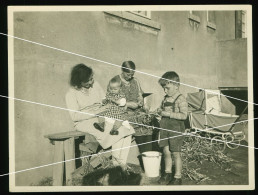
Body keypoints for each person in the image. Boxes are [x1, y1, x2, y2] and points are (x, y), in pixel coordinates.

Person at [65, 63, 135, 169]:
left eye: (92, 78)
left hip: (102, 113)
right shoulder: (71, 94)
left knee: (127, 129)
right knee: (116, 133)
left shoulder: (95, 85)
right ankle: (117, 166)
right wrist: (95, 113)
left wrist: (109, 106)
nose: (91, 81)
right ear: (79, 82)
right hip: (85, 120)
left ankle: (121, 165)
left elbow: (105, 98)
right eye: (88, 80)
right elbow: (75, 116)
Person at [112, 61, 153, 154]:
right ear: (122, 70)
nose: (130, 77)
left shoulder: (135, 81)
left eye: (132, 74)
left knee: (148, 123)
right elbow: (112, 100)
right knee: (138, 123)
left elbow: (140, 94)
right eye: (128, 74)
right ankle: (144, 155)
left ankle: (147, 155)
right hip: (123, 113)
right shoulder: (115, 81)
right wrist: (129, 104)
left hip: (137, 112)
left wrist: (141, 100)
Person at [157, 71, 188, 185]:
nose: (165, 91)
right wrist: (159, 111)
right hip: (164, 127)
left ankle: (177, 177)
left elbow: (184, 115)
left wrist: (168, 114)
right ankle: (167, 173)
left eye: (167, 88)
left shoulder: (181, 99)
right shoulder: (165, 98)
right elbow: (161, 109)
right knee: (166, 151)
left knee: (175, 152)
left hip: (176, 128)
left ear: (176, 86)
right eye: (163, 88)